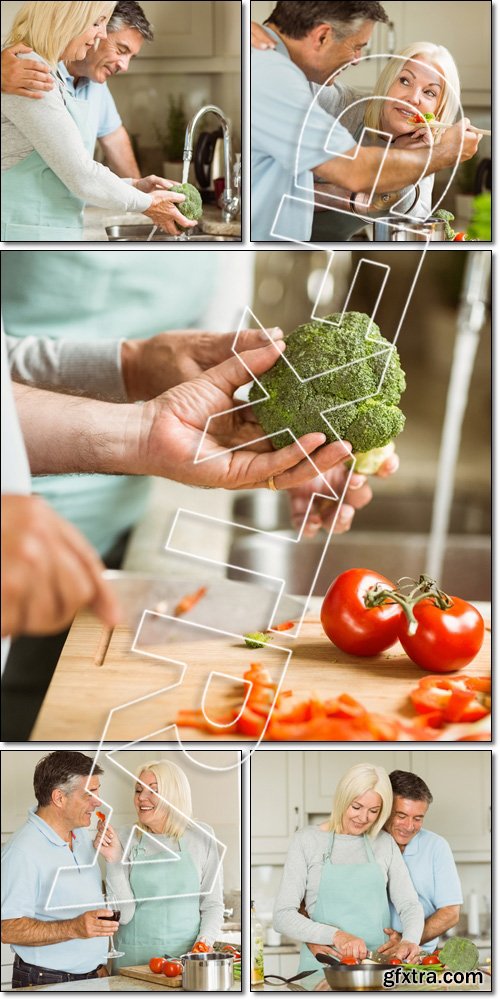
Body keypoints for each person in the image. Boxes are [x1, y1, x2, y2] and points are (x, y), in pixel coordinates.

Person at [251, 0, 480, 241]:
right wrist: (442, 155)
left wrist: (418, 161)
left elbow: (410, 231)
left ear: (440, 108)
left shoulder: (425, 147)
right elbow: (355, 171)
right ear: (322, 37)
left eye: (430, 93)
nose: (413, 98)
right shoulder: (311, 92)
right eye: (404, 80)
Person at [1, 1, 191, 239]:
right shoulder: (28, 70)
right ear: (70, 19)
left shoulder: (57, 74)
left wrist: (134, 185)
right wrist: (146, 203)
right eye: (96, 23)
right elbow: (80, 173)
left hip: (47, 232)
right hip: (21, 234)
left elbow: (79, 162)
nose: (99, 33)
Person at [273, 763, 424, 970]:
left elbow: (409, 904)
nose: (363, 818)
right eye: (356, 807)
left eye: (373, 811)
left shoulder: (384, 843)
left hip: (375, 969)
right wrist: (336, 936)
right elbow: (283, 916)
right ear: (342, 800)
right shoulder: (307, 841)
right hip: (323, 967)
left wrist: (410, 939)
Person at [1, 1, 153, 180]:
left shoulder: (97, 84)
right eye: (121, 50)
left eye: (131, 57)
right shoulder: (28, 68)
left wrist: (143, 193)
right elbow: (80, 173)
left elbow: (114, 139)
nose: (124, 66)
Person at [1, 751, 114, 989]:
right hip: (46, 981)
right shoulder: (22, 851)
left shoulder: (82, 835)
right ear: (59, 798)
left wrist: (97, 966)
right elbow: (7, 928)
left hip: (92, 977)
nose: (98, 802)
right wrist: (73, 928)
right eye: (89, 794)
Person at [95, 760, 224, 965]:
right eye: (138, 790)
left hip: (184, 963)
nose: (141, 798)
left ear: (174, 796)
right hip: (132, 963)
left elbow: (213, 906)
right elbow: (124, 915)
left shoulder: (202, 836)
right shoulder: (123, 838)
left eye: (153, 791)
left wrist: (203, 945)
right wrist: (114, 860)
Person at [378, 770, 463, 955]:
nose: (409, 826)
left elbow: (450, 912)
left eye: (418, 818)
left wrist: (407, 940)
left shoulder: (436, 847)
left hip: (417, 957)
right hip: (366, 955)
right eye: (401, 816)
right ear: (385, 808)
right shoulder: (367, 842)